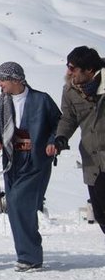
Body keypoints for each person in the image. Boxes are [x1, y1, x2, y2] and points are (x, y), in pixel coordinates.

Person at [0, 62, 61, 272]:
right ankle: (27, 256)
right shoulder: (0, 104)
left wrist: (52, 141)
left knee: (18, 201)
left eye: (2, 80)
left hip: (36, 159)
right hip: (13, 160)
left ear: (15, 79)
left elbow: (59, 124)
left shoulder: (41, 99)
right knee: (16, 206)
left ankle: (30, 256)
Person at [54, 46, 105, 236]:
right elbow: (68, 118)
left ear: (90, 70)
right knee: (100, 214)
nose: (69, 72)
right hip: (93, 161)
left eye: (73, 68)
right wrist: (60, 138)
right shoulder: (70, 91)